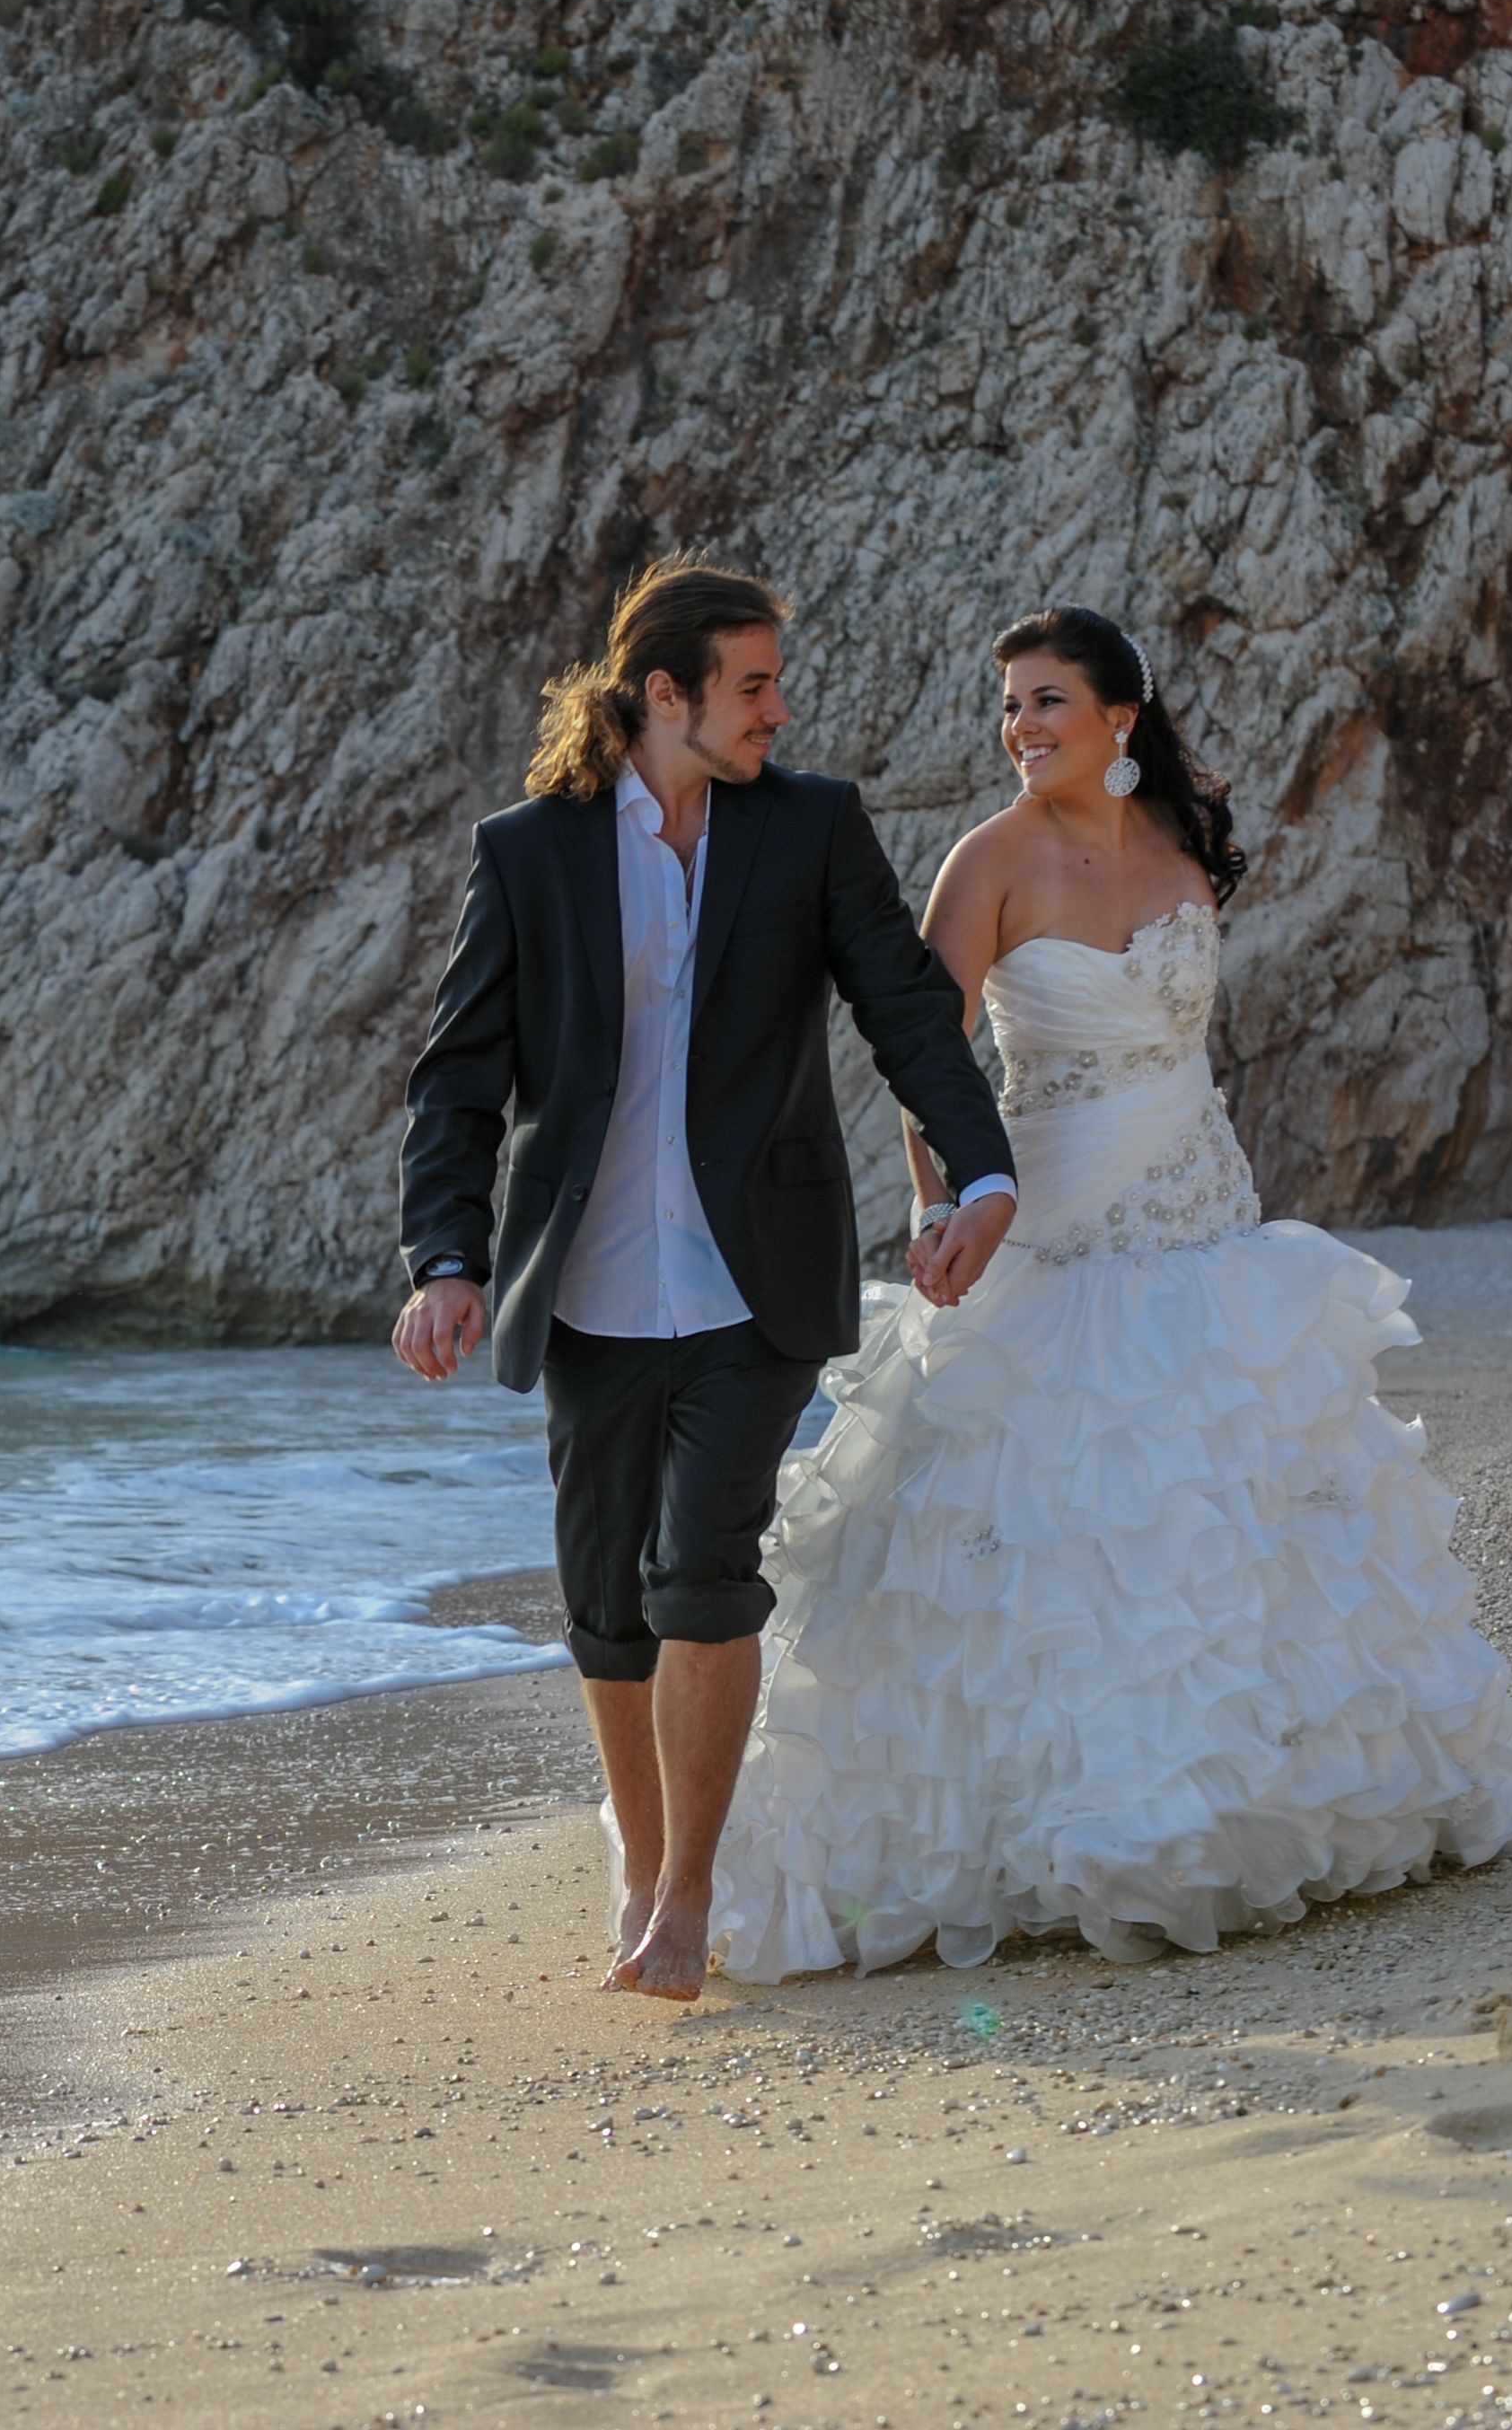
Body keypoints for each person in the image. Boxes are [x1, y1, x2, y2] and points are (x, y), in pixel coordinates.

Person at [703, 605, 1512, 1979]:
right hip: (1046, 1226)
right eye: (1009, 705)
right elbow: (925, 1055)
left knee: (1236, 1503)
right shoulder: (984, 861)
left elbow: (1182, 1048)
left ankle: (1274, 1798)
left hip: (1203, 1213)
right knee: (1066, 1522)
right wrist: (944, 1206)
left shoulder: (1182, 853)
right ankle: (1069, 1828)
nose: (1022, 727)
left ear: (1120, 714)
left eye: (1046, 700)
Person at [392, 555, 1019, 2000]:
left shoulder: (809, 831)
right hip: (589, 1288)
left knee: (705, 1578)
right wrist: (447, 1260)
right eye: (753, 686)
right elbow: (459, 1083)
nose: (778, 712)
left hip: (758, 1278)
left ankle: (688, 1895)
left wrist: (981, 1177)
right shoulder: (532, 851)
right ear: (663, 693)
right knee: (607, 1609)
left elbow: (908, 1017)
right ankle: (639, 1844)